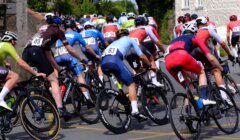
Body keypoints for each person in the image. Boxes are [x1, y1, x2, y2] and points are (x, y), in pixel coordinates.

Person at [22, 15, 84, 118]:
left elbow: (48, 54)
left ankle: (47, 96)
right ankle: (60, 109)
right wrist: (82, 59)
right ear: (59, 25)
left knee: (45, 76)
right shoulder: (58, 31)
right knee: (54, 80)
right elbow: (70, 49)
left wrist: (58, 68)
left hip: (26, 52)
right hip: (36, 52)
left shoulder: (43, 29)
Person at [165, 22, 223, 106]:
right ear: (195, 32)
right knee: (201, 72)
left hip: (168, 61)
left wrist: (192, 77)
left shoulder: (173, 40)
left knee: (190, 88)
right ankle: (203, 99)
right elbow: (210, 57)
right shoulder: (193, 37)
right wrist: (220, 67)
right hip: (181, 56)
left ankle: (189, 112)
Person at [101, 29, 151, 122]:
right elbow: (141, 56)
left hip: (103, 64)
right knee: (131, 84)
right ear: (127, 34)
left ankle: (123, 98)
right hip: (114, 61)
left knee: (123, 79)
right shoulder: (130, 39)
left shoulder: (114, 43)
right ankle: (135, 111)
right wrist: (149, 65)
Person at [54, 20, 99, 108]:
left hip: (57, 57)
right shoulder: (76, 34)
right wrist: (95, 55)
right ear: (74, 27)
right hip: (67, 56)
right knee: (79, 75)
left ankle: (62, 97)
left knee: (66, 78)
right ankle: (88, 99)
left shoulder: (60, 34)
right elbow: (87, 47)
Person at [0, 31, 46, 111]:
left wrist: (5, 64)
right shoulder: (7, 45)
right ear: (11, 40)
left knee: (6, 82)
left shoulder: (1, 46)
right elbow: (20, 62)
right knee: (14, 76)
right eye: (14, 41)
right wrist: (35, 73)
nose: (15, 44)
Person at [127, 16, 165, 87]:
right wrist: (164, 52)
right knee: (151, 60)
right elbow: (157, 42)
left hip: (128, 52)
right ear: (145, 22)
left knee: (138, 71)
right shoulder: (146, 28)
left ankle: (143, 87)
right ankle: (154, 81)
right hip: (138, 47)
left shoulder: (131, 30)